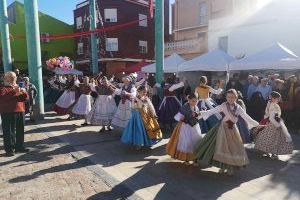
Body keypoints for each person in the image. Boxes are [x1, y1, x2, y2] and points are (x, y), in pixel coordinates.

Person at [194, 89, 260, 175]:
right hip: (222, 128)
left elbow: (246, 117)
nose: (230, 99)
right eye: (228, 97)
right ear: (226, 97)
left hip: (233, 129)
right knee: (222, 147)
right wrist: (200, 113)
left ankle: (230, 167)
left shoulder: (238, 108)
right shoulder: (223, 105)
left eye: (232, 97)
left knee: (232, 148)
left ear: (236, 97)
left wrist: (257, 124)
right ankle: (222, 166)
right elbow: (212, 111)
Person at [254, 91, 293, 159]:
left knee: (272, 139)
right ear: (274, 98)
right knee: (274, 139)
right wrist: (278, 125)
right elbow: (271, 118)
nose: (279, 100)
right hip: (273, 125)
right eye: (278, 98)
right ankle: (273, 152)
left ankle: (271, 152)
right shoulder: (273, 105)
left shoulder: (273, 104)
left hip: (274, 123)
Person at [166, 94, 203, 164]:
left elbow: (197, 116)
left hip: (194, 126)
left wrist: (199, 114)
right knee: (187, 142)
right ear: (189, 100)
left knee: (196, 141)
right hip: (186, 127)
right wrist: (181, 118)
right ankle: (187, 159)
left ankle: (195, 158)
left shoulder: (196, 107)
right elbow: (176, 117)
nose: (194, 103)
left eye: (196, 101)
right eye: (193, 101)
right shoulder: (184, 107)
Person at [0, 71, 29, 157]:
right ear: (6, 78)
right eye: (11, 77)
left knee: (20, 130)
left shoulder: (18, 86)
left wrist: (23, 92)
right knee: (8, 131)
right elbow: (2, 98)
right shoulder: (2, 87)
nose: (14, 78)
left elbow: (25, 98)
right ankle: (9, 149)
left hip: (20, 110)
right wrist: (14, 92)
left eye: (14, 77)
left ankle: (19, 147)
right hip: (7, 112)